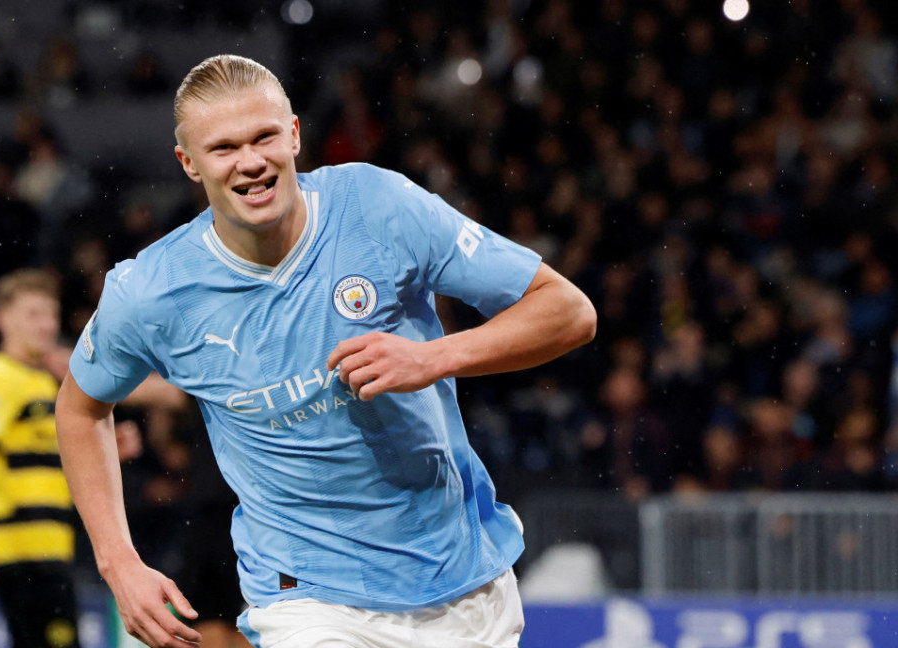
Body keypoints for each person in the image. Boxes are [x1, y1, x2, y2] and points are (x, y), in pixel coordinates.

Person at [56, 54, 597, 648]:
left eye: (264, 137)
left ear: (293, 135)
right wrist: (118, 562)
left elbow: (568, 312)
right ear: (189, 163)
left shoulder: (376, 205)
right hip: (305, 596)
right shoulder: (151, 291)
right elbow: (80, 409)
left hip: (459, 579)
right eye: (224, 148)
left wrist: (433, 358)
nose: (251, 162)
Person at [0, 269, 82, 648]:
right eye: (33, 314)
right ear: (3, 319)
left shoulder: (42, 382)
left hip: (50, 547)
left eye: (51, 314)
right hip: (20, 552)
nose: (46, 325)